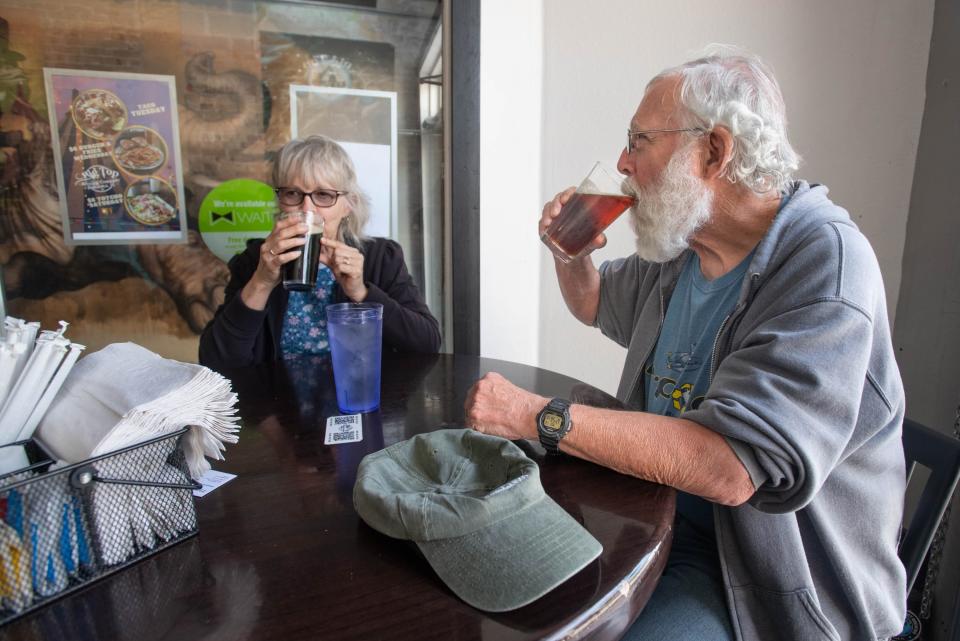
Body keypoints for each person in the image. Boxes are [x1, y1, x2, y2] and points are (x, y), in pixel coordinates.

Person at [464, 47, 906, 641]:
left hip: (762, 580)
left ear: (714, 152)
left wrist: (534, 415)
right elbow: (594, 302)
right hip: (659, 518)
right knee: (494, 570)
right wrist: (570, 257)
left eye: (639, 141)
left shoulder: (826, 264)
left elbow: (732, 467)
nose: (622, 162)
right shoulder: (684, 251)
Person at [200, 135, 440, 371]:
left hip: (356, 397)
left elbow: (427, 344)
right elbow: (215, 362)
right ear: (280, 202)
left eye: (324, 195)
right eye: (293, 194)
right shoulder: (257, 260)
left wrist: (361, 292)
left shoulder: (380, 257)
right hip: (278, 404)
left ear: (348, 205)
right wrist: (261, 282)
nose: (307, 208)